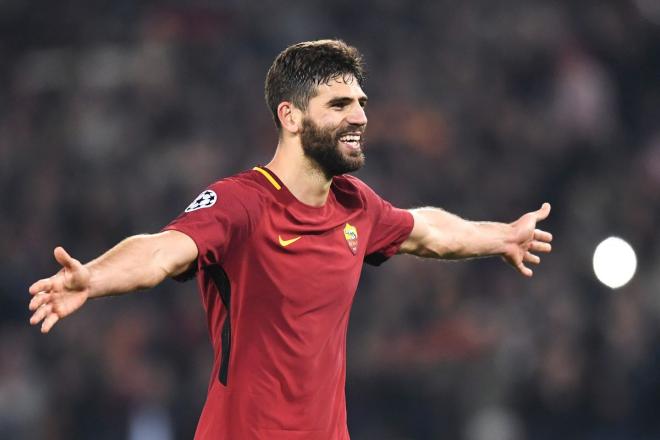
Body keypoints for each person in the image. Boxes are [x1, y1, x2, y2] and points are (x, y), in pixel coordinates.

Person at [28, 39, 553, 440]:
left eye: (361, 102)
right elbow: (164, 250)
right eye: (340, 104)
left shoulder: (355, 204)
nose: (361, 117)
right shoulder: (241, 202)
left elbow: (428, 231)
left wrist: (502, 236)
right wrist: (93, 278)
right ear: (291, 116)